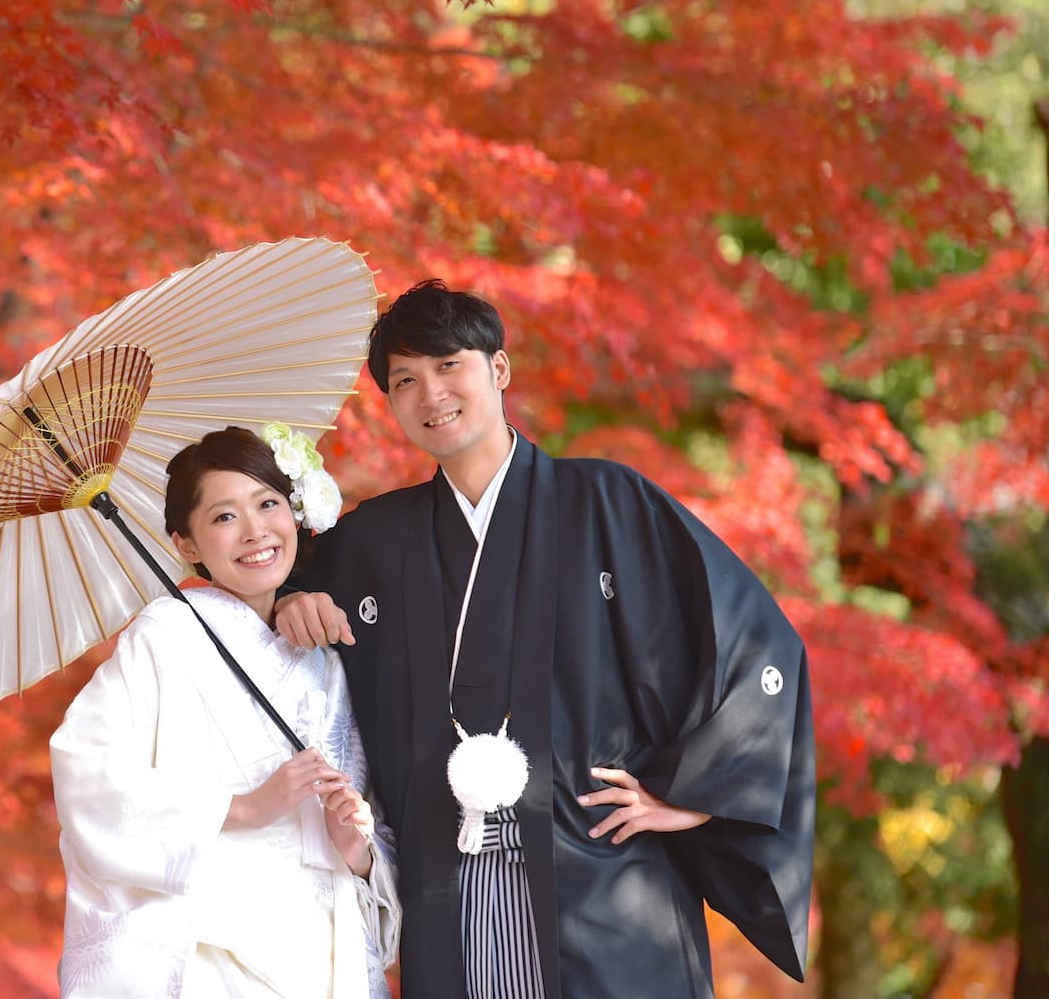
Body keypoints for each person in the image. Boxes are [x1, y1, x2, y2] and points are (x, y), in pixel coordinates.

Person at [275, 280, 814, 999]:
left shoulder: (609, 504)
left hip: (606, 885)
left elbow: (758, 648)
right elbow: (267, 600)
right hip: (448, 892)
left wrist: (693, 794)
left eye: (448, 366)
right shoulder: (375, 540)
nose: (430, 393)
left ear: (498, 369)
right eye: (405, 380)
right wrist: (292, 600)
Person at [51, 426, 400, 998]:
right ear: (186, 544)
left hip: (323, 950)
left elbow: (366, 822)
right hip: (212, 951)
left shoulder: (324, 659)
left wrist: (354, 844)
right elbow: (87, 771)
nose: (255, 531)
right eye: (223, 517)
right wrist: (243, 807)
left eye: (267, 504)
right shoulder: (166, 637)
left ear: (295, 513)